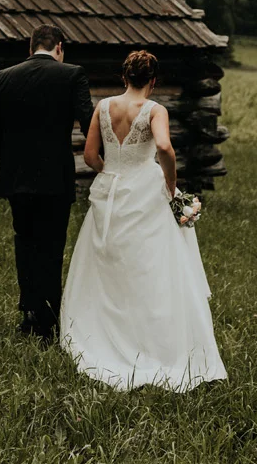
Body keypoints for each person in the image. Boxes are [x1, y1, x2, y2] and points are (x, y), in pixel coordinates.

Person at [59, 48, 227, 390]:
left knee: (108, 265)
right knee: (151, 267)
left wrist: (111, 173)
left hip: (110, 189)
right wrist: (171, 183)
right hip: (145, 192)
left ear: (124, 77)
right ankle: (151, 339)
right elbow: (164, 147)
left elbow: (90, 155)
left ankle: (102, 330)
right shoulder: (155, 110)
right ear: (152, 81)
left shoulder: (103, 107)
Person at [0, 23, 94, 342]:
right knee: (52, 247)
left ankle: (29, 313)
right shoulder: (72, 75)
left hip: (16, 180)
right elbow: (89, 124)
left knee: (25, 242)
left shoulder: (3, 78)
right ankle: (47, 322)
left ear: (30, 49)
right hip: (56, 179)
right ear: (59, 47)